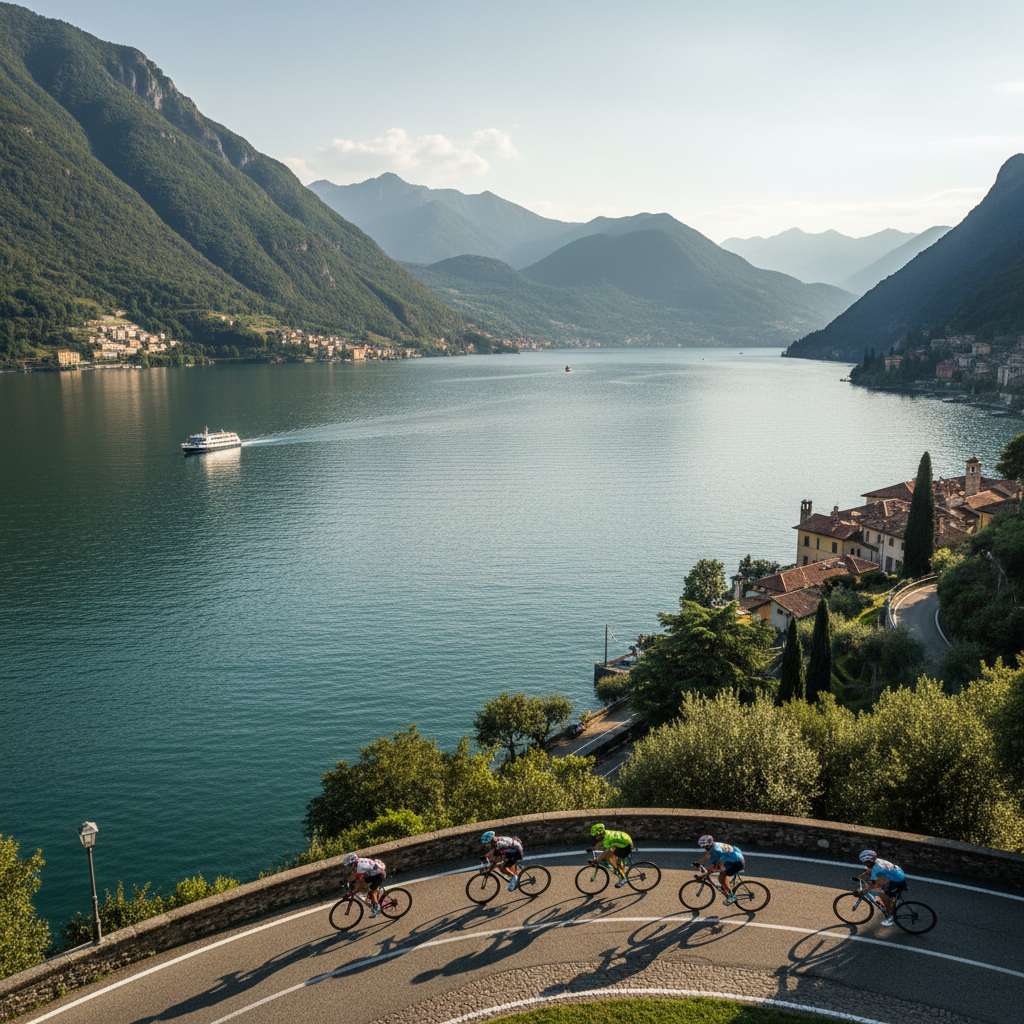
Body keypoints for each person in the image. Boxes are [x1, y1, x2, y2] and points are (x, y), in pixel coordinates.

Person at [857, 849, 906, 926]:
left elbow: (873, 884)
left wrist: (865, 890)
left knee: (883, 895)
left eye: (866, 862)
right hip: (899, 874)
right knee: (882, 887)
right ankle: (893, 900)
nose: (865, 864)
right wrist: (862, 875)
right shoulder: (877, 861)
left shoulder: (876, 868)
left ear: (870, 861)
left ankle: (891, 917)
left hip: (897, 881)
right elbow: (870, 870)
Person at [695, 834, 744, 905]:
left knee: (721, 878)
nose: (704, 847)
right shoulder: (713, 846)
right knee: (719, 871)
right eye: (702, 846)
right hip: (734, 858)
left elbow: (715, 866)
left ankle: (732, 896)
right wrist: (697, 863)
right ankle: (725, 886)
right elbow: (707, 855)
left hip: (737, 863)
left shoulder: (716, 851)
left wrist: (702, 875)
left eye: (705, 846)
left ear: (709, 844)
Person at [341, 852, 387, 917]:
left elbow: (360, 883)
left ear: (354, 862)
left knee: (371, 891)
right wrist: (346, 881)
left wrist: (352, 893)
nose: (349, 867)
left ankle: (377, 909)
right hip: (373, 874)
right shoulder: (358, 862)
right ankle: (375, 897)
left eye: (350, 865)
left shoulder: (360, 866)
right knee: (364, 885)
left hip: (379, 875)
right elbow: (354, 875)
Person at [590, 822, 633, 887]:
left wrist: (596, 860)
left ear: (601, 833)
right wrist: (594, 848)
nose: (596, 837)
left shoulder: (608, 839)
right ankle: (618, 868)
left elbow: (606, 850)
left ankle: (623, 879)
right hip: (623, 842)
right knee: (608, 855)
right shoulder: (605, 833)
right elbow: (601, 843)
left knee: (611, 858)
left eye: (597, 835)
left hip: (626, 847)